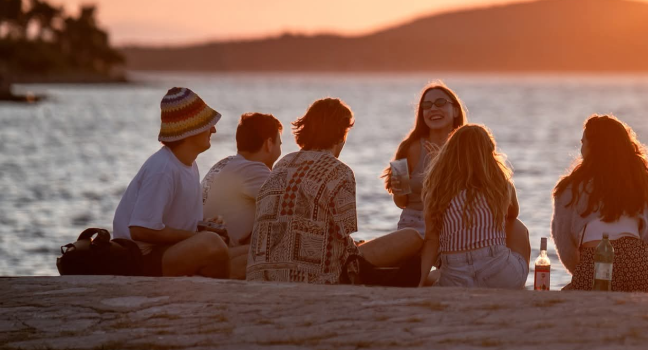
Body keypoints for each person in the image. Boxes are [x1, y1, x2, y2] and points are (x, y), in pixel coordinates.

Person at [247, 97, 421, 284]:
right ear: (341, 134)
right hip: (317, 276)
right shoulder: (340, 171)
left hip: (262, 273)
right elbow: (344, 232)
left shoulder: (283, 164)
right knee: (412, 237)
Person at [112, 87, 230, 278]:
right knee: (212, 244)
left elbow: (171, 222)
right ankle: (218, 305)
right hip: (140, 260)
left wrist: (201, 226)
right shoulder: (163, 169)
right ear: (192, 129)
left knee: (242, 252)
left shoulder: (189, 165)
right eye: (208, 124)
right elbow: (140, 229)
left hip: (164, 252)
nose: (214, 129)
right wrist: (197, 237)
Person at [551, 115, 648, 292]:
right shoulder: (642, 184)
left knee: (568, 293)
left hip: (594, 263)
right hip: (639, 265)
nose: (581, 148)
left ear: (593, 147)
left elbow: (564, 244)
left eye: (583, 142)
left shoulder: (570, 188)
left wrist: (583, 271)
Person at [419, 124, 531, 289]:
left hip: (455, 279)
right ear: (489, 153)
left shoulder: (437, 192)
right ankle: (517, 288)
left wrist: (419, 283)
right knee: (517, 227)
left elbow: (431, 240)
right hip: (500, 276)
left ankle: (429, 278)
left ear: (449, 154)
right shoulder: (501, 185)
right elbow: (513, 213)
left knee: (439, 271)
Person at [202, 112, 283, 279]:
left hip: (203, 248)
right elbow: (290, 209)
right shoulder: (254, 170)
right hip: (220, 255)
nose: (280, 149)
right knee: (282, 248)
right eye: (279, 144)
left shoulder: (224, 163)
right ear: (269, 144)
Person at [384, 82, 467, 237]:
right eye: (426, 105)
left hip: (453, 226)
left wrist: (440, 164)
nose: (433, 108)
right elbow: (401, 203)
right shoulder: (408, 148)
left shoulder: (467, 148)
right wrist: (398, 190)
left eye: (440, 103)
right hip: (412, 227)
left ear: (456, 110)